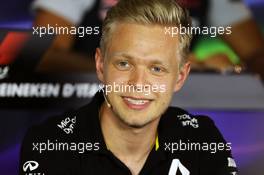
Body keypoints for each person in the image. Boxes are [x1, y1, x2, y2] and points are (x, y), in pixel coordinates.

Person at [20, 0, 238, 174]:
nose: (138, 83)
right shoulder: (51, 144)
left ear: (180, 77)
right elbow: (43, 53)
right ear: (100, 65)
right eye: (124, 64)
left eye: (157, 69)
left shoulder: (202, 140)